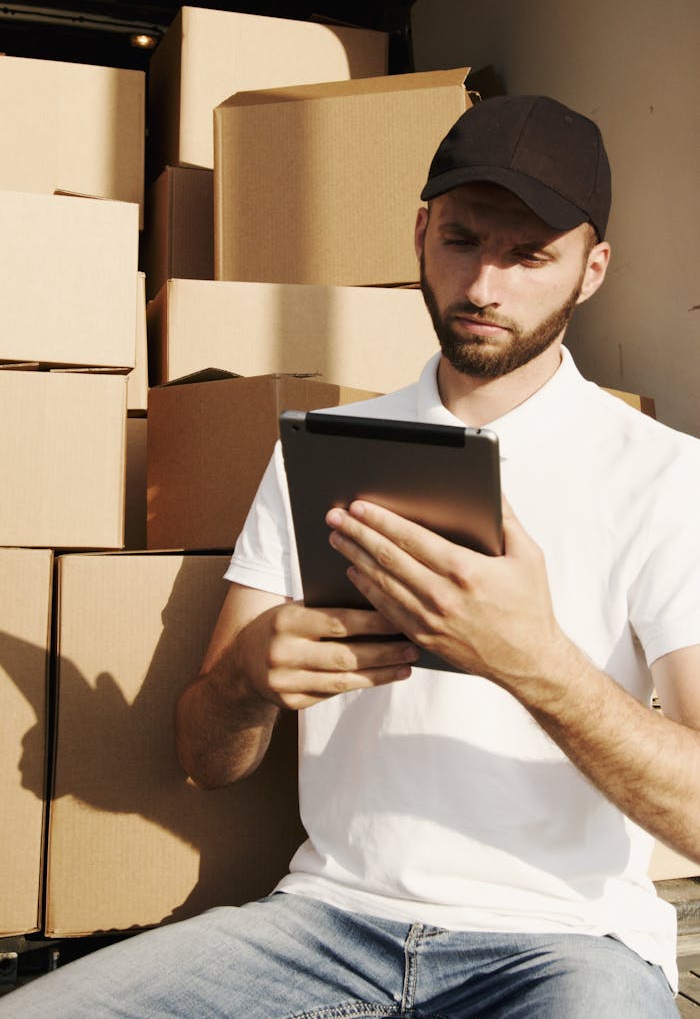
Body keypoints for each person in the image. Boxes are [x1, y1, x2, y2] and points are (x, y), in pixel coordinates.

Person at [5, 94, 699, 1018]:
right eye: (461, 240)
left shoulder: (665, 477)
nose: (484, 286)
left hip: (566, 947)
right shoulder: (321, 449)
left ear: (592, 269)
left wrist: (536, 663)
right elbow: (205, 760)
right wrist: (244, 681)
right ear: (419, 234)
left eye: (530, 256)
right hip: (327, 926)